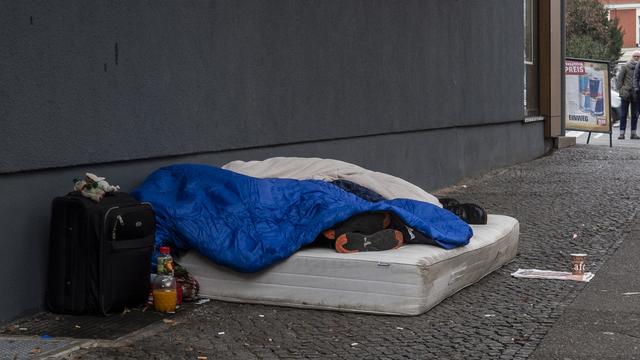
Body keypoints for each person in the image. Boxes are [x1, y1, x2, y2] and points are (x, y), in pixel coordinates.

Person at [619, 51, 640, 139]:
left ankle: (633, 133)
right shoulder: (625, 66)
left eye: (638, 56)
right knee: (623, 114)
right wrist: (621, 90)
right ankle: (621, 133)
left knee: (635, 114)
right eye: (635, 56)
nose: (636, 57)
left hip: (636, 94)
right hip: (626, 93)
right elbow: (619, 79)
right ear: (632, 56)